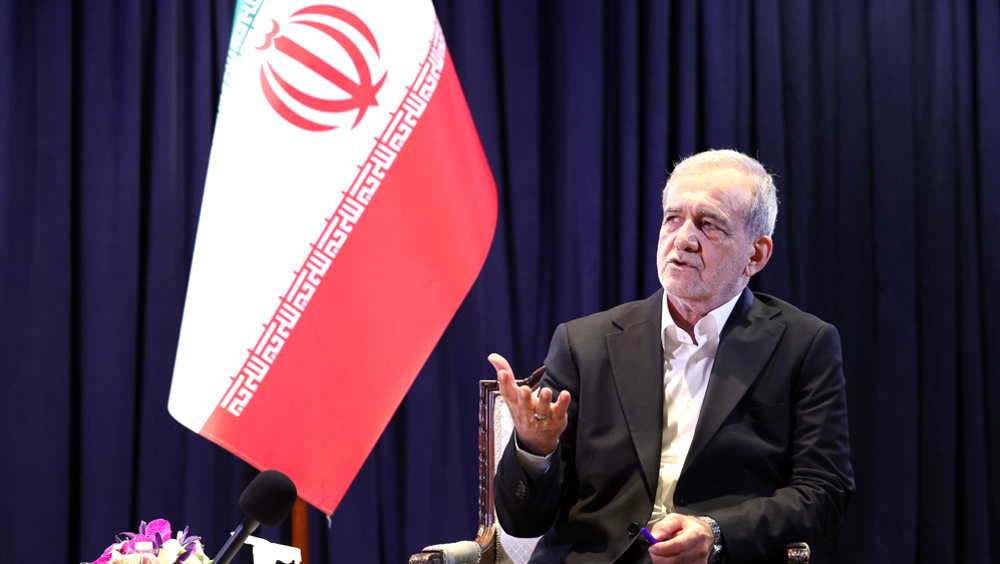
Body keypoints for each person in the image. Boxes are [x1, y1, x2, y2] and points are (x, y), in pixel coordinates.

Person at [490, 150, 854, 564]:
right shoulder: (584, 342)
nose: (683, 239)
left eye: (709, 223)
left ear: (756, 254)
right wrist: (535, 449)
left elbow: (824, 492)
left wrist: (716, 532)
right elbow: (522, 522)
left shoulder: (803, 344)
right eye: (673, 218)